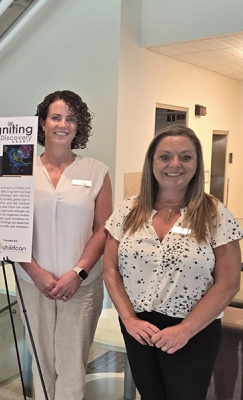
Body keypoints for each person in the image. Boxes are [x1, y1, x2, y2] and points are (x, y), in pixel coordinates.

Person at [104, 125, 242, 400]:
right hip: (139, 328)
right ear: (152, 163)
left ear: (197, 163)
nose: (175, 164)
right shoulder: (128, 210)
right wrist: (129, 319)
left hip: (194, 330)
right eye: (165, 157)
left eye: (185, 157)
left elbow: (228, 282)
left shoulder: (215, 214)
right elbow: (110, 269)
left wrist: (185, 330)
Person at [15, 90, 112, 399]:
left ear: (78, 126)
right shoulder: (19, 166)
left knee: (72, 367)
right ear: (42, 123)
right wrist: (36, 273)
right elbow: (7, 226)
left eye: (71, 119)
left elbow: (104, 229)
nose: (63, 125)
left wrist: (77, 273)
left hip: (81, 286)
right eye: (56, 117)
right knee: (41, 364)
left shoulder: (96, 171)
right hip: (32, 282)